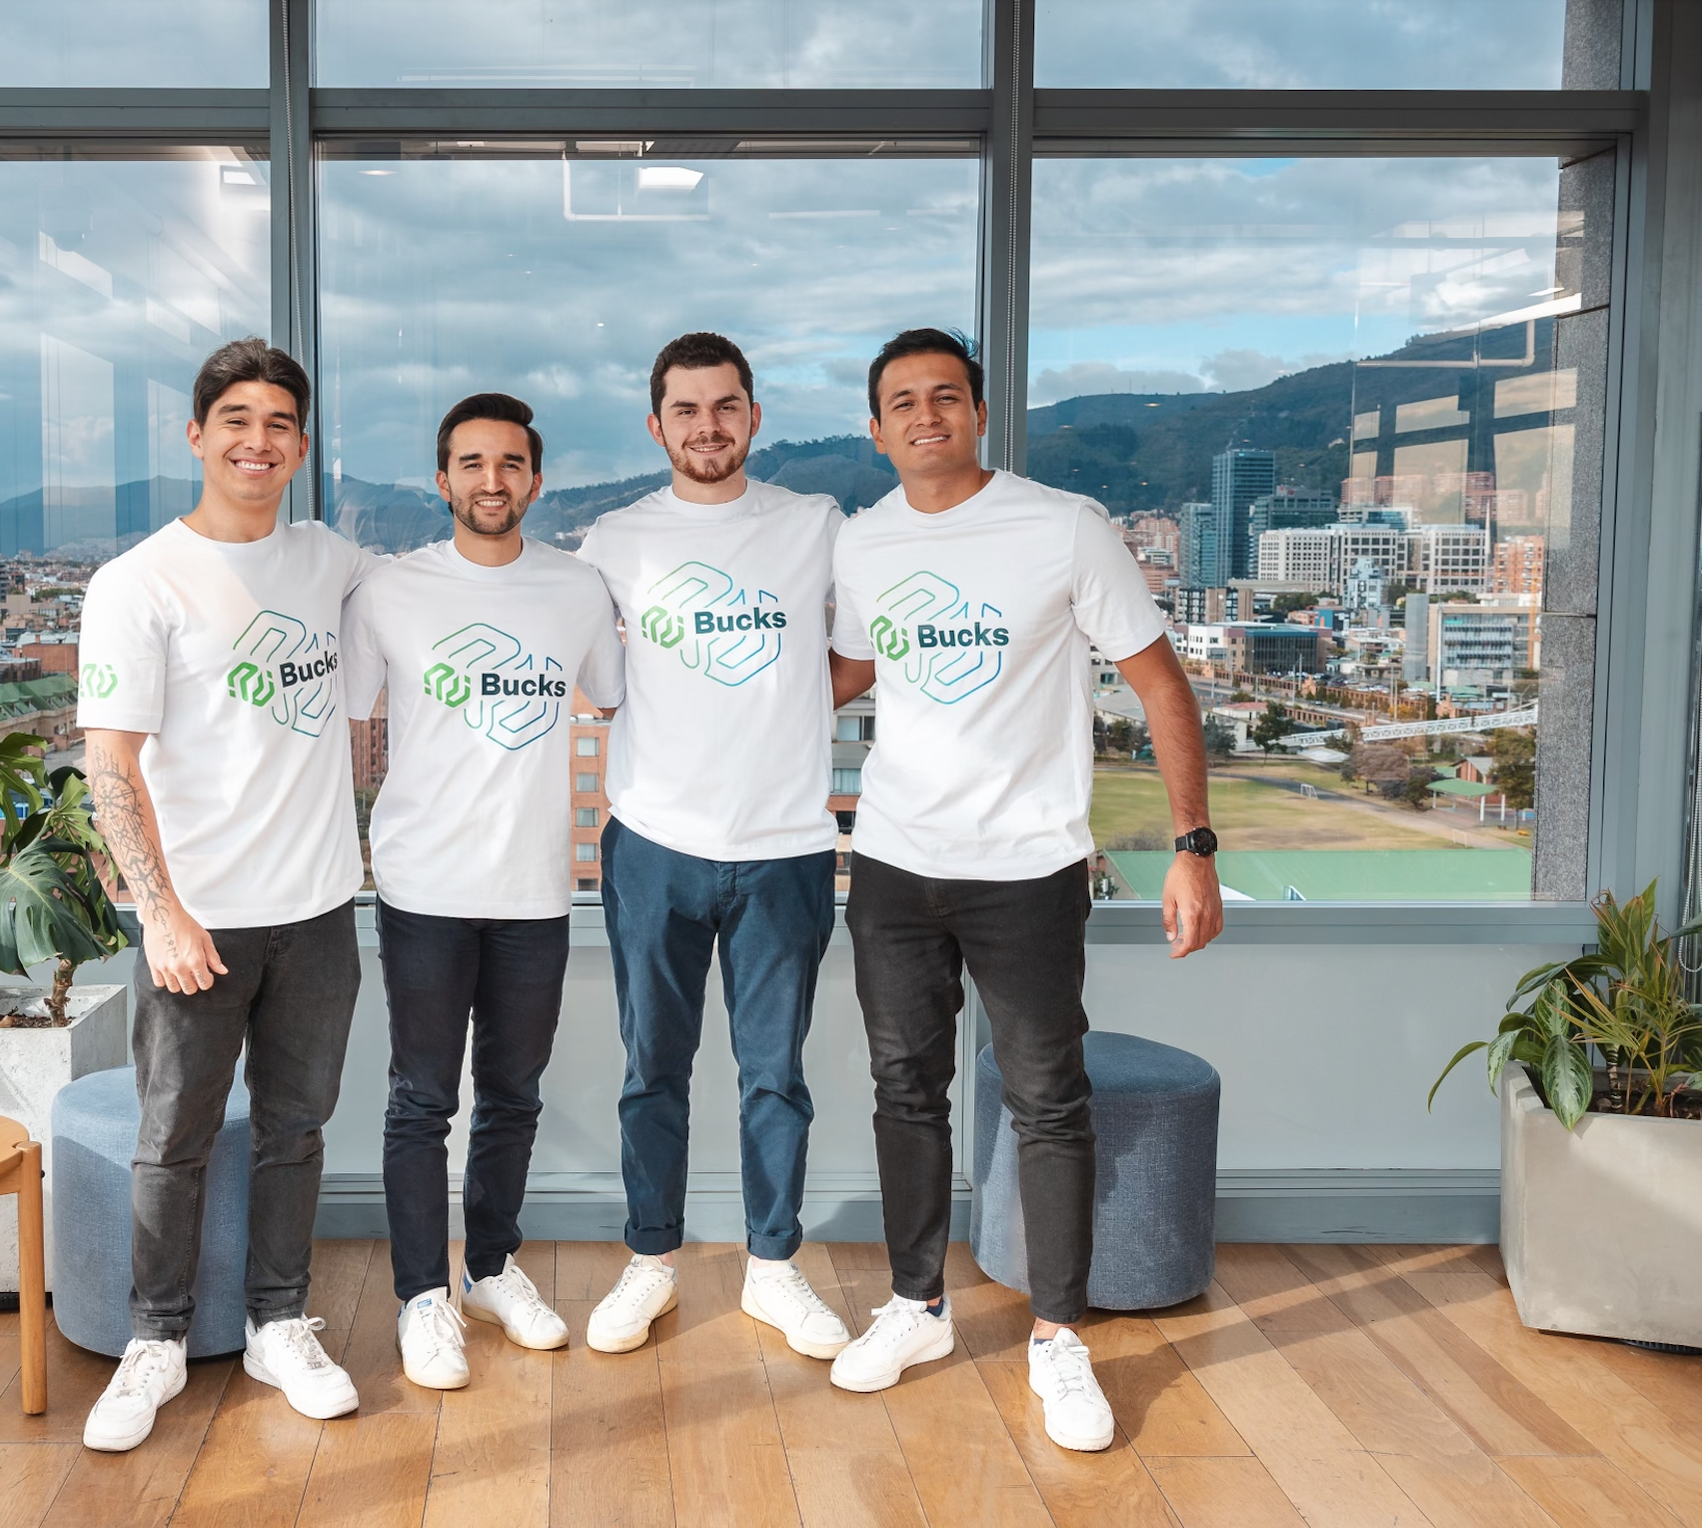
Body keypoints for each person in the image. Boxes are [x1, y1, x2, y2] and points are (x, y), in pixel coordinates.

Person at [822, 328, 1223, 1444]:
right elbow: (848, 670)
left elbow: (1161, 685)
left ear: (978, 412)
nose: (923, 415)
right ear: (876, 427)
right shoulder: (862, 545)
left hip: (1028, 869)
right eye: (900, 401)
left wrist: (1192, 845)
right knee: (904, 1088)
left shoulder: (1062, 528)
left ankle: (1057, 1337)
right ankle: (915, 1306)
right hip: (896, 865)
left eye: (943, 396)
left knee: (1049, 1099)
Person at [74, 337, 376, 1450]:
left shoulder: (328, 560)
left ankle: (279, 1321)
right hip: (196, 920)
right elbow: (109, 764)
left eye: (280, 424)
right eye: (237, 420)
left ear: (301, 445)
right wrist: (158, 912)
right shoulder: (138, 582)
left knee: (296, 1129)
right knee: (174, 1134)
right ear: (196, 434)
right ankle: (153, 1339)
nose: (259, 441)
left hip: (317, 910)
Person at [577, 332, 854, 1360]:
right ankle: (651, 1261)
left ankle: (772, 1270)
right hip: (653, 844)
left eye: (725, 405)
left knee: (773, 1072)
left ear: (753, 416)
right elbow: (593, 675)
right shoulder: (612, 541)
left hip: (784, 847)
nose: (707, 425)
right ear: (656, 426)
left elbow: (858, 655)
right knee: (653, 1067)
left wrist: (788, 708)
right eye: (686, 409)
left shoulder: (814, 525)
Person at [342, 392, 628, 1391]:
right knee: (421, 1100)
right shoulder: (389, 592)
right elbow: (340, 721)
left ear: (535, 479)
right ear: (442, 479)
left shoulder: (577, 590)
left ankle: (491, 1267)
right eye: (471, 463)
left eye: (510, 463)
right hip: (421, 883)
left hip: (534, 887)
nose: (492, 480)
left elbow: (619, 698)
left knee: (512, 1094)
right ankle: (423, 1297)